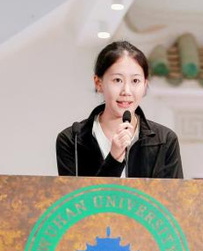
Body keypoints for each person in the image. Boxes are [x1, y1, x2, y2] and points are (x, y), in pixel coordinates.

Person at [56, 41, 183, 178]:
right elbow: (78, 193)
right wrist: (114, 158)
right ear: (98, 83)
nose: (126, 91)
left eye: (135, 81)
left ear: (145, 85)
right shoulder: (72, 140)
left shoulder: (165, 141)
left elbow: (175, 192)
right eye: (117, 80)